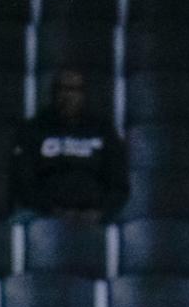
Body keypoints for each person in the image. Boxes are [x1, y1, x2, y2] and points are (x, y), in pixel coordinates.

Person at [10, 70, 129, 222]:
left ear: (83, 94)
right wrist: (52, 210)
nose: (68, 96)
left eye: (74, 90)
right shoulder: (34, 128)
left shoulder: (103, 130)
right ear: (53, 93)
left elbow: (119, 183)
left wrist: (100, 211)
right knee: (18, 221)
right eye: (62, 89)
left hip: (95, 213)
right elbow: (24, 183)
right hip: (44, 213)